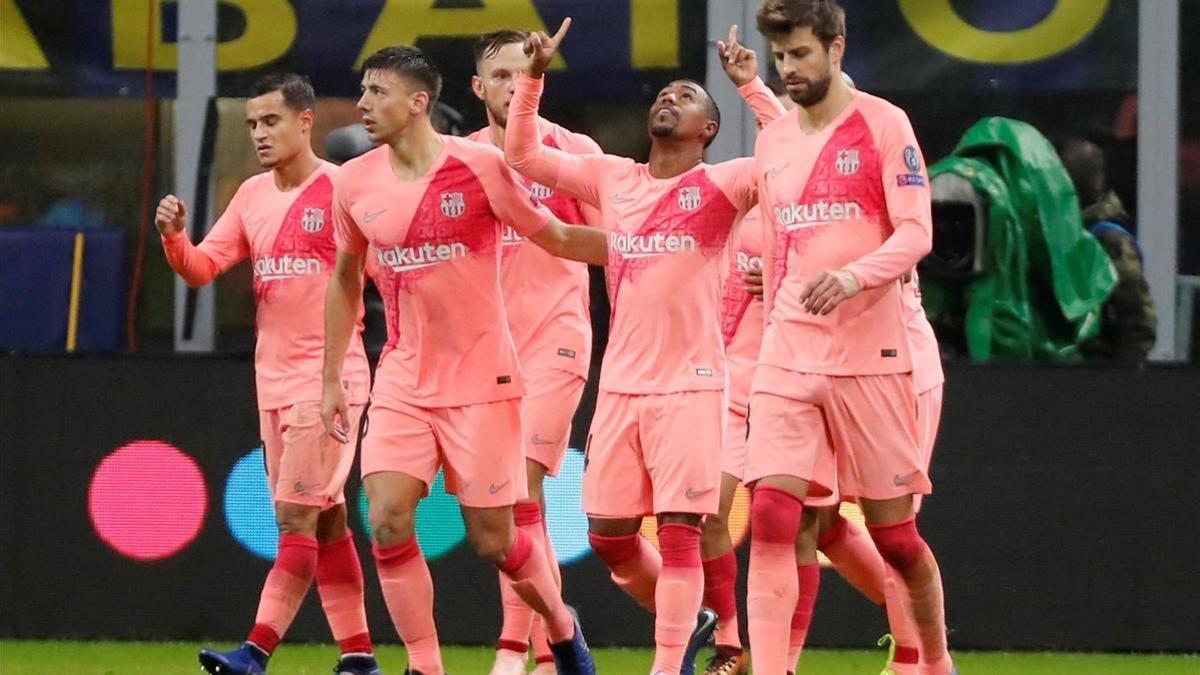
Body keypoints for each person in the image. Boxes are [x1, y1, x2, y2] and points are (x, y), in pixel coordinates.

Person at [504, 19, 785, 675]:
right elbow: (524, 157)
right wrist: (533, 79)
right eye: (666, 93)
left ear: (708, 130)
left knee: (683, 526)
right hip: (621, 388)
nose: (670, 98)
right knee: (608, 536)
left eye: (688, 97)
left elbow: (794, 155)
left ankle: (667, 663)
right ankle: (699, 622)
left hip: (691, 384)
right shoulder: (613, 179)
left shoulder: (723, 186)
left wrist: (751, 87)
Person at [320, 45, 597, 675]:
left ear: (418, 103)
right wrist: (334, 376)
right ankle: (426, 666)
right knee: (386, 518)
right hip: (402, 378)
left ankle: (559, 626)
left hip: (483, 379)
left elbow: (552, 235)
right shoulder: (353, 182)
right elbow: (344, 279)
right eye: (362, 91)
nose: (363, 104)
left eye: (377, 92)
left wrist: (646, 246)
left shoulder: (479, 166)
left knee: (496, 540)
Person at [742, 2, 955, 673]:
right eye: (781, 58)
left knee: (895, 536)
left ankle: (935, 659)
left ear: (836, 49)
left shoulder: (885, 125)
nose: (789, 69)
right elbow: (784, 237)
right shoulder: (773, 141)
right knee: (775, 515)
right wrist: (770, 284)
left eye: (801, 54)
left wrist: (855, 276)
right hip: (789, 349)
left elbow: (917, 232)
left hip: (872, 352)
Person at [156, 73, 380, 675]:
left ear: (305, 122)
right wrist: (176, 239)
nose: (259, 133)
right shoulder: (253, 196)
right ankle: (360, 658)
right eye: (252, 124)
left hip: (328, 380)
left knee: (294, 518)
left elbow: (392, 271)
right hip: (273, 382)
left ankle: (254, 654)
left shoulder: (342, 188)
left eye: (270, 121)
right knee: (327, 519)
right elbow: (203, 268)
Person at [464, 28, 604, 675]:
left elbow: (616, 244)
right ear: (477, 86)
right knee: (513, 509)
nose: (512, 85)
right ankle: (557, 640)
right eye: (499, 75)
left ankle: (512, 650)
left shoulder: (571, 153)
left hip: (557, 340)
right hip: (487, 353)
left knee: (521, 489)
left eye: (525, 74)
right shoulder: (457, 160)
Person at [1056, 136, 1156, 362]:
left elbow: (1137, 318)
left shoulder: (1109, 239)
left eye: (1073, 174)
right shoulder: (1061, 232)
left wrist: (1123, 378)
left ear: (1096, 180)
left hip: (1101, 369)